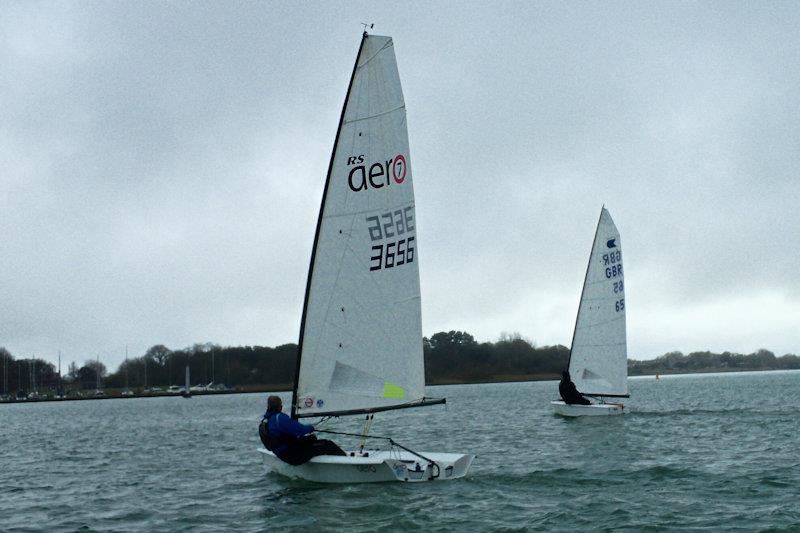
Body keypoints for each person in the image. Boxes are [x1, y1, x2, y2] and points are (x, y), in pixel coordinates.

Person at [259, 395, 346, 465]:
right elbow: (300, 430)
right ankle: (345, 462)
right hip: (293, 456)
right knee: (327, 444)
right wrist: (310, 428)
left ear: (268, 406)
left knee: (311, 438)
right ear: (280, 406)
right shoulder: (279, 418)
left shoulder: (266, 420)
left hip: (283, 454)